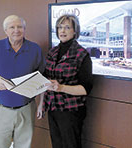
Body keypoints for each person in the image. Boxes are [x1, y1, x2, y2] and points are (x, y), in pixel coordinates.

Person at [0, 15, 45, 148]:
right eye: (12, 27)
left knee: (24, 146)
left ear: (24, 29)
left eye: (20, 27)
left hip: (26, 109)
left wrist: (41, 104)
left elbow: (42, 80)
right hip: (0, 110)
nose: (16, 30)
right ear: (5, 30)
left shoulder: (35, 49)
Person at [37, 14, 93, 148]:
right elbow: (45, 79)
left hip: (71, 110)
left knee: (71, 145)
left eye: (67, 27)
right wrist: (41, 104)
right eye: (60, 27)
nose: (62, 31)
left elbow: (85, 89)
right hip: (52, 107)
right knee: (56, 144)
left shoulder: (81, 54)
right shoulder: (53, 52)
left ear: (75, 31)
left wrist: (61, 87)